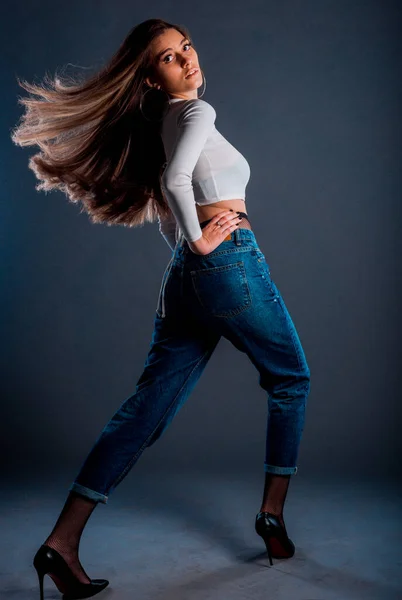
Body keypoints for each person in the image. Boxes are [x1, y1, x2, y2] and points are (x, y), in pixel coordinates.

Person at [11, 18, 310, 599]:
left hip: (186, 281)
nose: (187, 60)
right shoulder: (197, 114)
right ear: (150, 78)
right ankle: (272, 515)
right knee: (291, 379)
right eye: (170, 58)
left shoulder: (169, 121)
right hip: (227, 263)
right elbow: (178, 182)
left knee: (145, 410)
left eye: (186, 46)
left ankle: (61, 544)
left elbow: (176, 187)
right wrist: (203, 240)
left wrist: (191, 249)